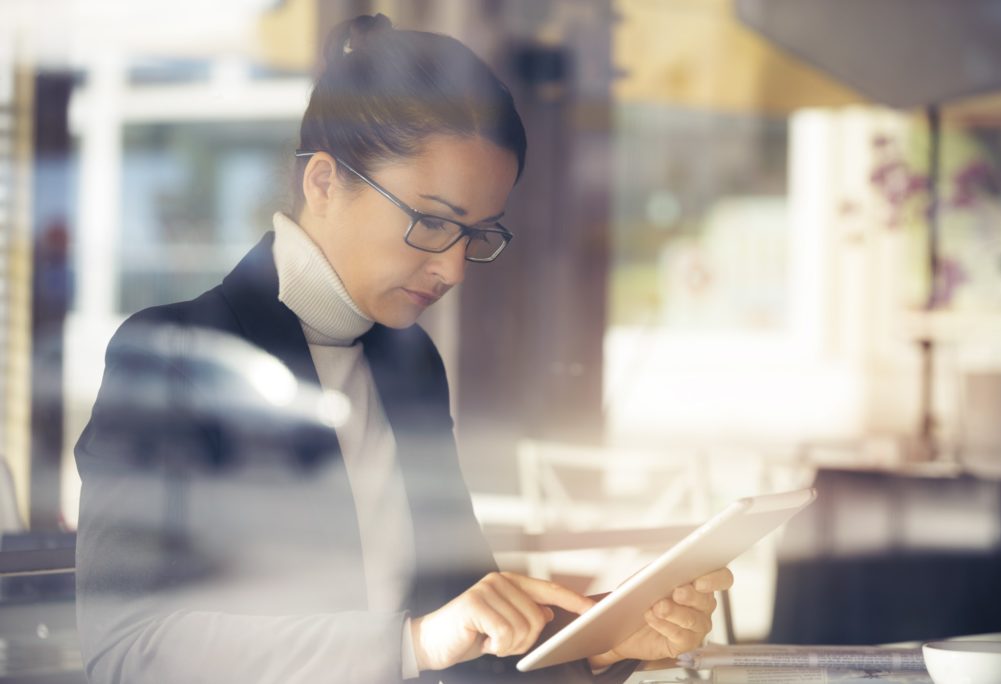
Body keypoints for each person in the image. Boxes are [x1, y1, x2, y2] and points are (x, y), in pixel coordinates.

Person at [74, 14, 733, 684]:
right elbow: (127, 653)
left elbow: (467, 626)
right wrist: (412, 644)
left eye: (476, 234)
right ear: (324, 183)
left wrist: (602, 642)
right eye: (431, 223)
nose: (454, 270)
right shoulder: (176, 356)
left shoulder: (406, 360)